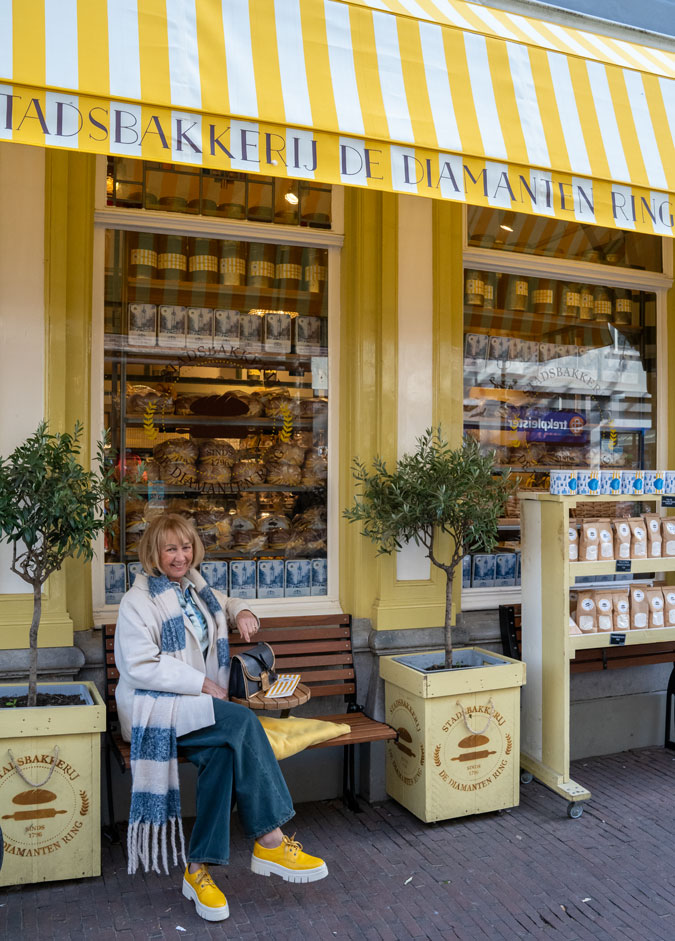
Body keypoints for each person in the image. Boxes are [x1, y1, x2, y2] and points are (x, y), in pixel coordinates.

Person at [114, 513, 327, 922]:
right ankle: (271, 839)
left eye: (186, 547)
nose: (180, 556)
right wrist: (201, 683)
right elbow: (140, 665)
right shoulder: (137, 602)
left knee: (224, 756)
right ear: (154, 553)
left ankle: (197, 871)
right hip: (158, 710)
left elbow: (224, 604)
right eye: (171, 549)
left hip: (197, 709)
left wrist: (241, 609)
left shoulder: (196, 589)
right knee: (243, 723)